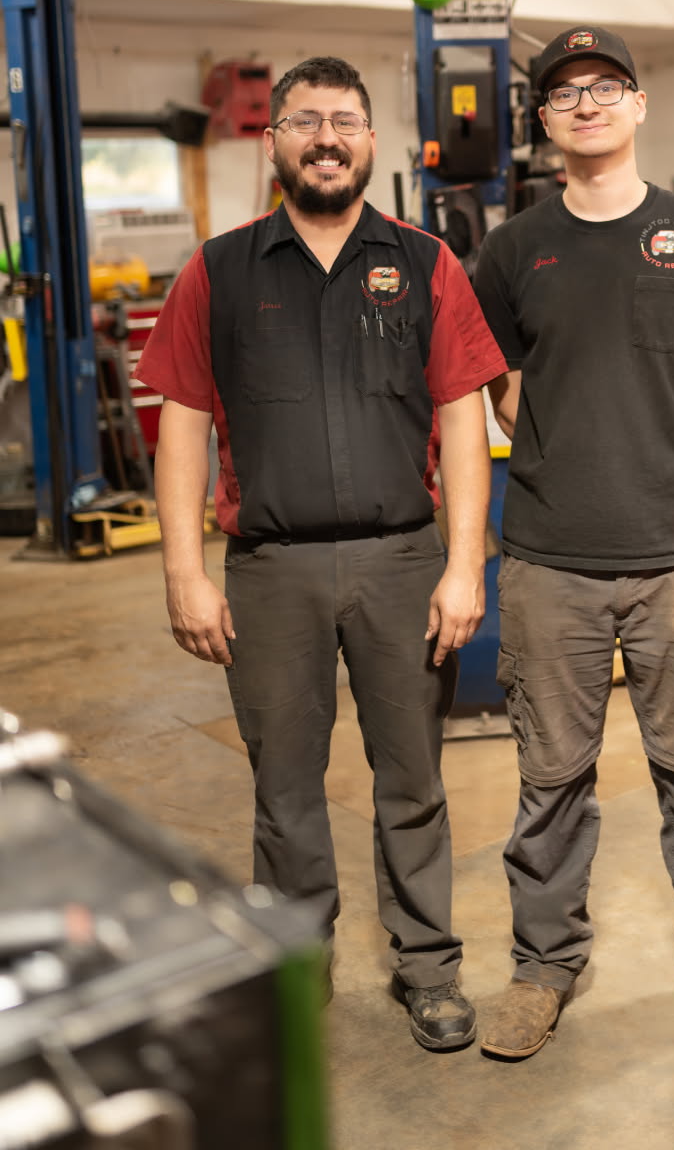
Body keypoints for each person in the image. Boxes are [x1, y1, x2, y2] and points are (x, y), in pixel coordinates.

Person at [136, 55, 506, 1052]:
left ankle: (428, 967)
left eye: (344, 121)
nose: (326, 139)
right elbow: (182, 424)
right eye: (305, 121)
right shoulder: (218, 270)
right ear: (275, 141)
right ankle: (299, 961)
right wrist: (183, 572)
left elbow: (462, 419)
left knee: (413, 780)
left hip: (402, 563)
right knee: (285, 786)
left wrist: (464, 564)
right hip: (272, 571)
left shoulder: (426, 263)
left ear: (372, 141)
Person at [473, 26, 674, 1064]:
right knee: (551, 778)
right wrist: (565, 454)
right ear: (544, 121)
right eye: (565, 94)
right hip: (549, 557)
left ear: (639, 104)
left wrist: (667, 460)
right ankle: (543, 969)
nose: (587, 104)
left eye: (606, 87)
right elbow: (500, 386)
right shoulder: (513, 249)